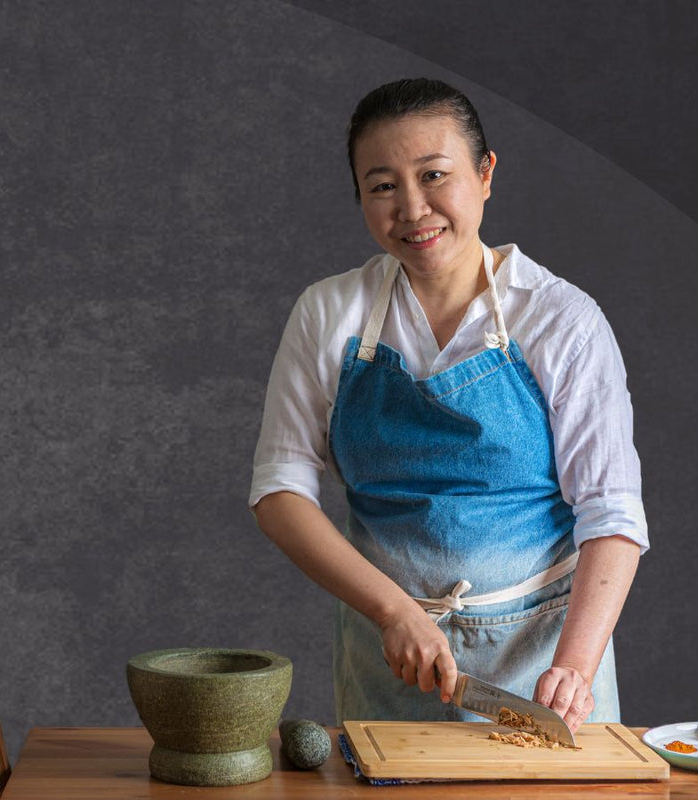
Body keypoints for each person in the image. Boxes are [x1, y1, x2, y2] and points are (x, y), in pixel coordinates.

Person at [249, 78, 647, 732]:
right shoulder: (329, 312)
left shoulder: (559, 319)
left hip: (542, 667)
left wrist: (573, 670)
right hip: (390, 661)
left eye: (434, 175)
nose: (412, 209)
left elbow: (610, 510)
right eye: (382, 186)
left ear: (485, 174)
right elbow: (279, 489)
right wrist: (395, 612)